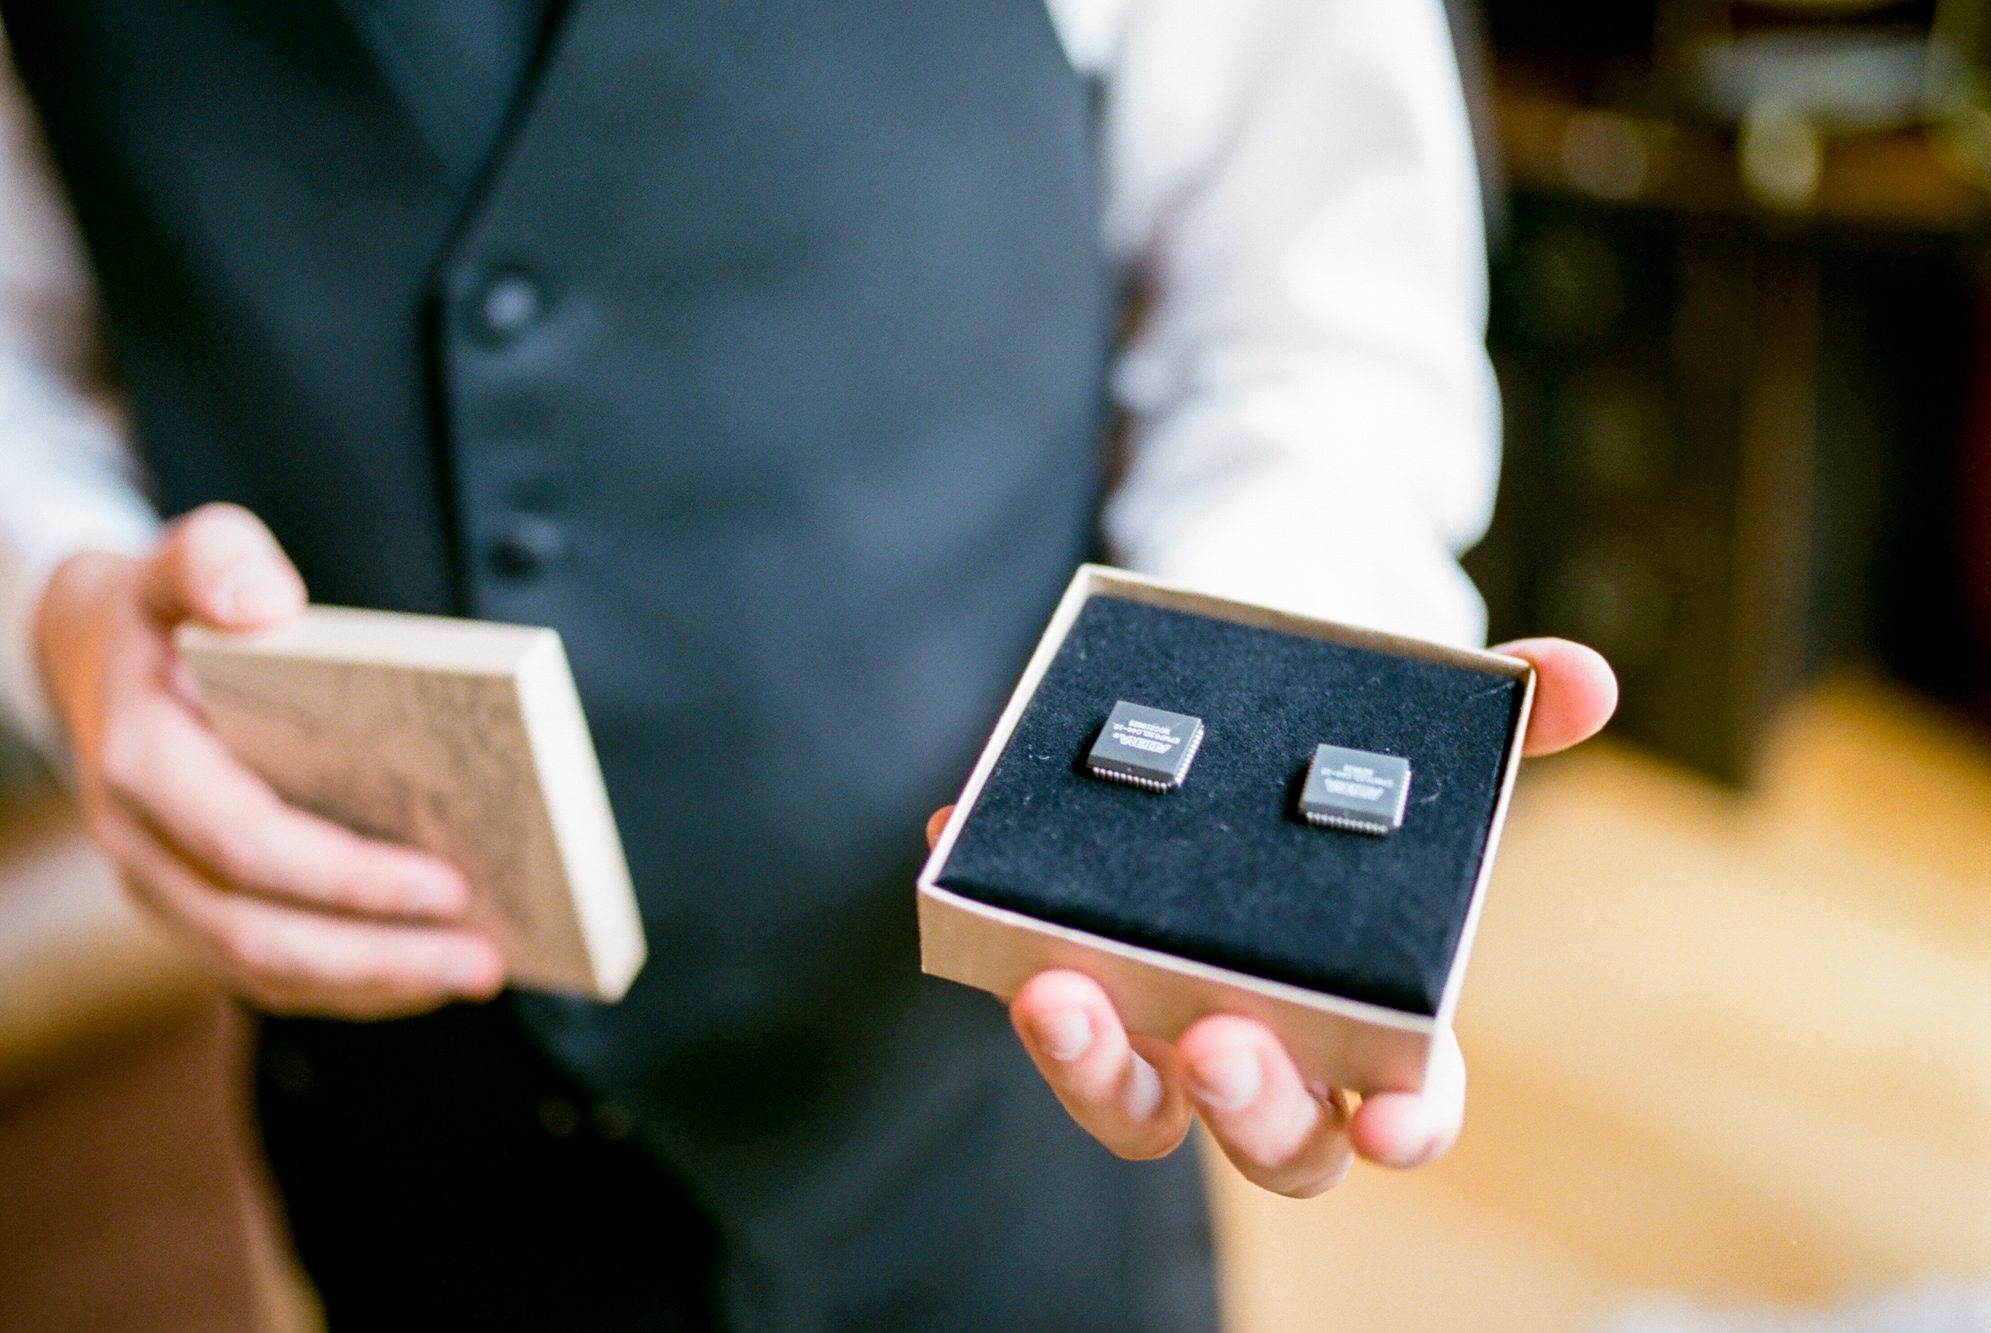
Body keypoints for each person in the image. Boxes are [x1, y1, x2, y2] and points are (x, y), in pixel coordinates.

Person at [0, 1, 1616, 1328]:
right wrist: (53, 600)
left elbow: (1312, 306)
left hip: (995, 1147)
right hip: (407, 1150)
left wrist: (1228, 835)